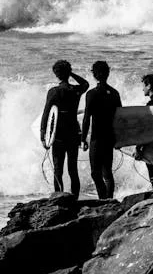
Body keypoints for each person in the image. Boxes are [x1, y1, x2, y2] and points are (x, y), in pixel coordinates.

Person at [40, 60, 89, 195]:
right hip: (73, 132)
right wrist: (71, 73)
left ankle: (59, 197)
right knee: (72, 168)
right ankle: (75, 198)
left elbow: (46, 113)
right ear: (68, 73)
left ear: (56, 74)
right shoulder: (75, 90)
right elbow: (85, 84)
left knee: (58, 169)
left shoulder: (54, 92)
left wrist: (43, 135)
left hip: (58, 134)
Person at [82, 61, 122, 199]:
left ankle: (103, 199)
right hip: (110, 136)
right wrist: (120, 138)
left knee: (95, 173)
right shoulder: (115, 93)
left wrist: (83, 139)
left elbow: (86, 118)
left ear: (94, 74)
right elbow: (120, 118)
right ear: (107, 73)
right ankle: (109, 198)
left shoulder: (92, 94)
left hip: (97, 138)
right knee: (107, 172)